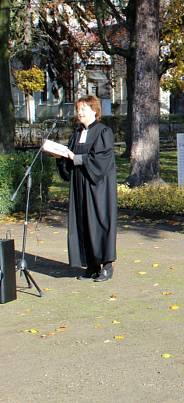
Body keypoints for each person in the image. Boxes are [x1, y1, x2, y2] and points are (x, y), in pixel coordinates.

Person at [56, 96, 118, 282]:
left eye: (83, 109)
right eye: (78, 109)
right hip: (79, 185)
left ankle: (106, 266)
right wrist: (61, 156)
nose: (79, 113)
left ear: (94, 111)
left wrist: (77, 159)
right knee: (82, 223)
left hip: (97, 186)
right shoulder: (77, 133)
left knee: (99, 223)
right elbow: (71, 158)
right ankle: (91, 266)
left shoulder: (103, 132)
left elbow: (102, 159)